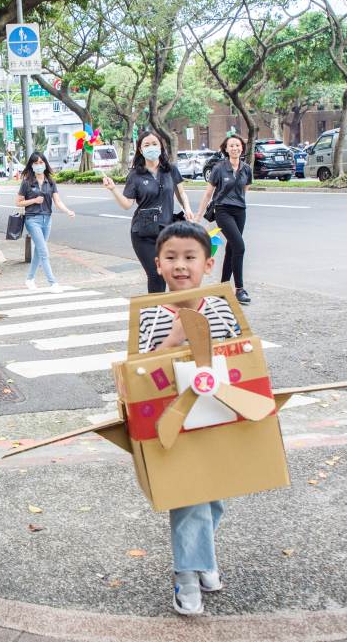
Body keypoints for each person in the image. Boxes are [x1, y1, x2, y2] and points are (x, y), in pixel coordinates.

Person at [135, 221, 241, 615]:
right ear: (158, 264)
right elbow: (141, 371)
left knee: (215, 496)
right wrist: (175, 338)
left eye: (190, 257)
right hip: (173, 420)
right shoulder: (149, 313)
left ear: (208, 264)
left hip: (218, 414)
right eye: (172, 258)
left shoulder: (220, 306)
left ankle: (204, 557)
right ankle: (186, 577)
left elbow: (241, 353)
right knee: (189, 497)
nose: (181, 265)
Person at [102, 133, 194, 293]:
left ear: (160, 146)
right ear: (140, 149)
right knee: (155, 274)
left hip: (167, 231)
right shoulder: (135, 175)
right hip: (143, 232)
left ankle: (168, 311)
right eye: (146, 145)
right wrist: (113, 189)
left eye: (154, 144)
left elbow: (181, 194)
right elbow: (126, 204)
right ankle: (155, 313)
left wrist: (187, 208)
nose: (151, 148)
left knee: (171, 273)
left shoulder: (170, 170)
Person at [195, 135, 252, 305]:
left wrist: (238, 202)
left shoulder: (247, 168)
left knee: (231, 248)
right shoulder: (219, 168)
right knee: (239, 246)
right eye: (231, 145)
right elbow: (208, 193)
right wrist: (198, 216)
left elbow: (245, 189)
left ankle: (223, 287)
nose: (235, 148)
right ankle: (239, 289)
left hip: (240, 211)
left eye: (238, 145)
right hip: (223, 211)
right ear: (226, 149)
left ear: (242, 148)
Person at [15, 151, 76, 291]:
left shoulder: (50, 182)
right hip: (32, 220)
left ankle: (29, 279)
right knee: (43, 251)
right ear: (31, 165)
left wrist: (68, 211)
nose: (38, 165)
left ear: (45, 163)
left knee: (38, 251)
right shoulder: (27, 183)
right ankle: (52, 282)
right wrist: (34, 200)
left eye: (41, 162)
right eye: (35, 163)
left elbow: (58, 201)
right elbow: (18, 202)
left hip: (47, 219)